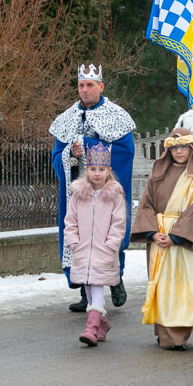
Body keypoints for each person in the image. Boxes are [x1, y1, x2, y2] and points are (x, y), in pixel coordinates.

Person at [50, 63, 135, 313]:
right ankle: (85, 292)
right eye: (81, 86)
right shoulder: (66, 118)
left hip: (106, 192)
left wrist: (87, 143)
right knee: (80, 238)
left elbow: (125, 152)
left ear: (101, 87)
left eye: (89, 85)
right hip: (79, 194)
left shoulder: (117, 115)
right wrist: (71, 154)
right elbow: (56, 156)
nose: (84, 90)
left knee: (106, 235)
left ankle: (115, 280)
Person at [131, 129, 193, 350]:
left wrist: (176, 236)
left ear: (191, 148)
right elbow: (146, 205)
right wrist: (152, 233)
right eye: (174, 147)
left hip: (182, 239)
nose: (178, 151)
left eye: (182, 147)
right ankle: (163, 332)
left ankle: (177, 335)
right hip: (158, 237)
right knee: (160, 286)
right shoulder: (157, 175)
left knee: (182, 287)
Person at [63, 143, 127, 347]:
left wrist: (111, 245)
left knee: (97, 287)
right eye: (92, 169)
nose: (97, 173)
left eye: (101, 169)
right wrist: (73, 241)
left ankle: (90, 328)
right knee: (89, 287)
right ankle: (103, 323)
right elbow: (70, 220)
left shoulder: (114, 195)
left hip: (103, 250)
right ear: (86, 170)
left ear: (108, 171)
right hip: (82, 250)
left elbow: (119, 222)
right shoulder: (78, 195)